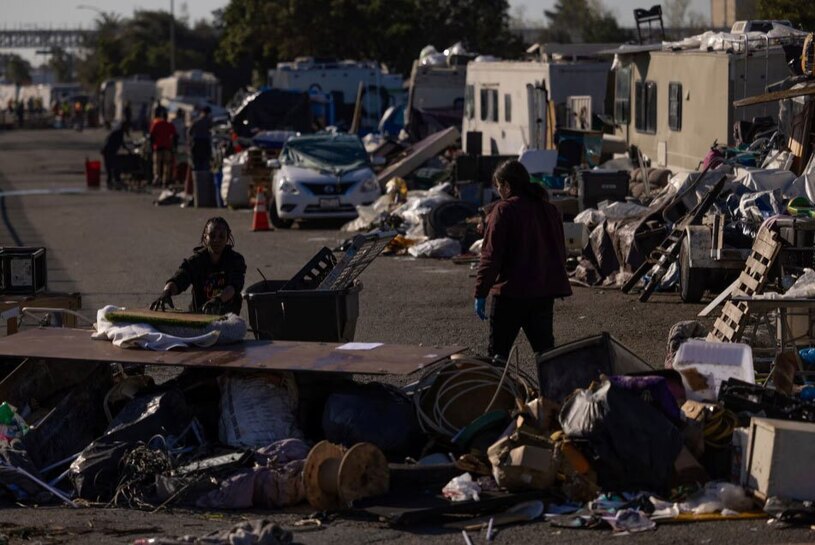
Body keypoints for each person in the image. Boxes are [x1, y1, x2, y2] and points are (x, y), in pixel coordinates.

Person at [473, 160, 572, 363]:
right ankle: (554, 393)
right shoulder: (549, 210)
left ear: (507, 186)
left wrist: (481, 293)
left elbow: (491, 257)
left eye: (499, 186)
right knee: (547, 356)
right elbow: (559, 251)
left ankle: (500, 394)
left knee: (498, 357)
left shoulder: (503, 210)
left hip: (510, 296)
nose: (499, 191)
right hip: (543, 294)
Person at [151, 217, 246, 315]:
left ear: (227, 237)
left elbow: (234, 286)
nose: (216, 240)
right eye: (212, 235)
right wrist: (166, 292)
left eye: (221, 236)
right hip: (200, 315)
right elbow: (180, 277)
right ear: (205, 237)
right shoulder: (197, 260)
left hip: (228, 316)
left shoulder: (235, 260)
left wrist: (218, 300)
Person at [149, 109, 177, 187]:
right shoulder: (170, 125)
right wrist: (174, 146)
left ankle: (157, 179)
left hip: (157, 147)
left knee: (156, 165)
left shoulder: (156, 124)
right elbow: (175, 136)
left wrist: (152, 145)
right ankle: (165, 181)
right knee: (167, 165)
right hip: (167, 147)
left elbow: (151, 135)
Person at [100, 122, 130, 189]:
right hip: (108, 150)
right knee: (111, 165)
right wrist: (129, 150)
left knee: (110, 165)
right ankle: (111, 180)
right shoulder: (119, 133)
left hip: (109, 150)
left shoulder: (119, 132)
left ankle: (111, 180)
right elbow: (122, 144)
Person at [188, 106, 212, 171]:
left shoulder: (196, 121)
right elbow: (211, 131)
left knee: (196, 161)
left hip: (197, 142)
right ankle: (203, 176)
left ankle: (196, 176)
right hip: (205, 142)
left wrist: (190, 141)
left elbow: (189, 132)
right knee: (205, 161)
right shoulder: (209, 121)